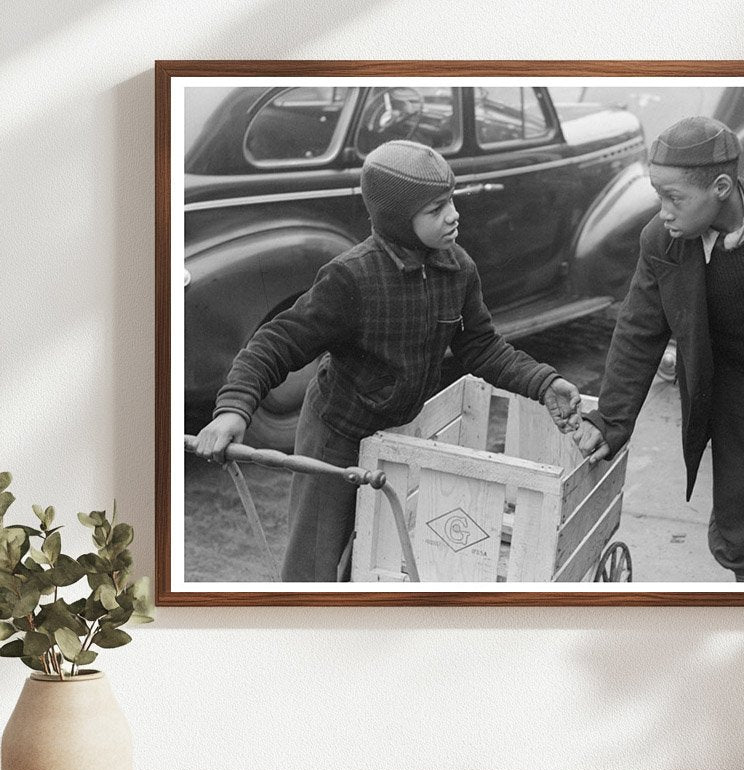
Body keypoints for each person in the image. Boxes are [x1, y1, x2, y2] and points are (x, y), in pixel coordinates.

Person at [196, 139, 581, 582]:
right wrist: (233, 409)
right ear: (398, 219)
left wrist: (543, 383)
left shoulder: (457, 268)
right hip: (336, 433)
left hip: (397, 432)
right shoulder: (351, 278)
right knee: (316, 561)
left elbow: (482, 346)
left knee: (377, 550)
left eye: (451, 200)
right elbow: (275, 342)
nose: (454, 215)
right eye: (436, 209)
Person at [574, 117, 744, 583]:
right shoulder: (660, 240)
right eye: (659, 197)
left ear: (720, 186)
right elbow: (639, 330)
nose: (664, 212)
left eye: (673, 198)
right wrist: (612, 421)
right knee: (741, 511)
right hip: (735, 386)